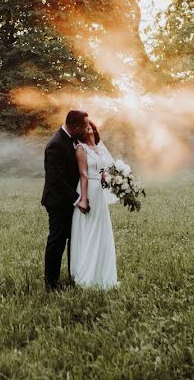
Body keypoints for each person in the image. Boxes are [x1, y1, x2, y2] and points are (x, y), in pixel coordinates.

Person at [41, 110, 89, 290]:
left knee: (73, 239)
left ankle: (73, 274)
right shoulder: (56, 144)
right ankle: (51, 283)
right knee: (57, 241)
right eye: (84, 126)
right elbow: (56, 179)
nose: (86, 129)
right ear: (76, 127)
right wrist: (78, 199)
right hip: (58, 202)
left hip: (69, 201)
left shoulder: (73, 140)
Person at [70, 120, 118, 289]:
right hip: (88, 190)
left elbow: (108, 170)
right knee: (89, 230)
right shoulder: (81, 148)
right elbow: (83, 174)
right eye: (85, 125)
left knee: (101, 230)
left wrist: (110, 178)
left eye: (91, 125)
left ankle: (103, 273)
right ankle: (87, 273)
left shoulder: (100, 148)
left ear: (94, 130)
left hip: (99, 192)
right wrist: (83, 198)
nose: (88, 127)